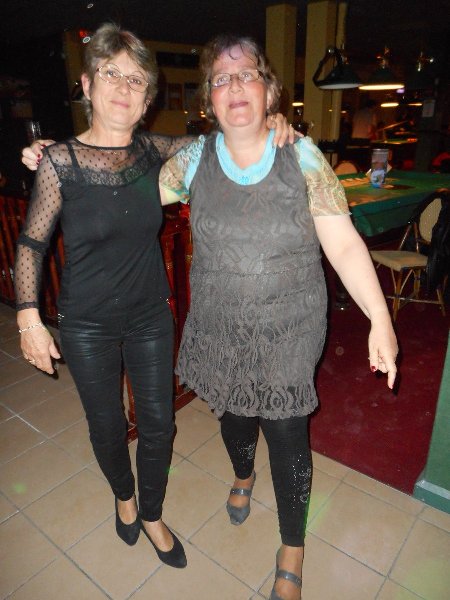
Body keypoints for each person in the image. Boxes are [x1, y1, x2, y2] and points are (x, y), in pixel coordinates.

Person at [17, 24, 292, 572]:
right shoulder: (59, 162)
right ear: (87, 85)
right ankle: (124, 496)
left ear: (147, 100)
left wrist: (272, 120)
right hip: (86, 323)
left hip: (149, 315)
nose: (124, 87)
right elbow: (31, 243)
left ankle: (152, 512)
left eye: (136, 80)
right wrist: (28, 318)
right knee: (107, 427)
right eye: (111, 74)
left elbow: (227, 141)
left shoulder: (156, 152)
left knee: (160, 425)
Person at [157, 35, 398, 600]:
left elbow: (343, 244)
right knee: (235, 418)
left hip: (290, 325)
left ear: (268, 91)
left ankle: (292, 547)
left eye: (247, 74)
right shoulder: (192, 160)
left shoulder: (302, 156)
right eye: (222, 78)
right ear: (209, 99)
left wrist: (379, 318)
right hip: (220, 325)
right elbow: (129, 190)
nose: (235, 85)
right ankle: (243, 473)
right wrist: (66, 158)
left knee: (287, 432)